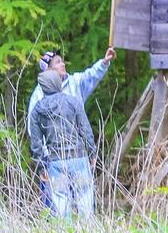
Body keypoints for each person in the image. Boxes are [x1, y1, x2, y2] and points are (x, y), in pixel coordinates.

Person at [28, 46, 115, 217]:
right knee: (80, 201)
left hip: (63, 161)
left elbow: (90, 76)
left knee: (62, 204)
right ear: (48, 70)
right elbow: (35, 133)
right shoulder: (39, 97)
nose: (63, 64)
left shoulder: (74, 82)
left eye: (62, 60)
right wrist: (91, 152)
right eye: (58, 62)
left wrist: (104, 63)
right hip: (66, 159)